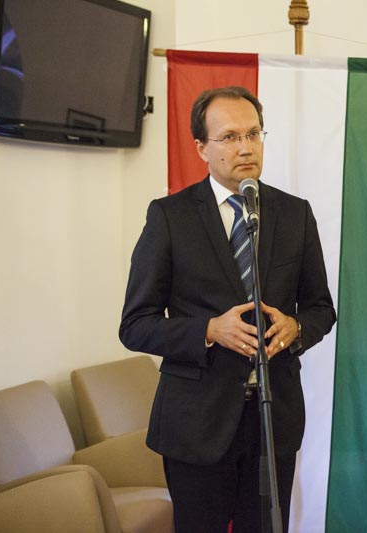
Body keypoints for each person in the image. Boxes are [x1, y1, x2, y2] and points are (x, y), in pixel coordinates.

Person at [119, 86, 336, 532]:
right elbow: (135, 325)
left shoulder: (294, 214)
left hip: (272, 421)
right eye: (230, 137)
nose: (246, 147)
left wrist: (296, 327)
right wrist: (208, 330)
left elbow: (321, 308)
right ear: (202, 147)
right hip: (197, 425)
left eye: (253, 134)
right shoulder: (170, 217)